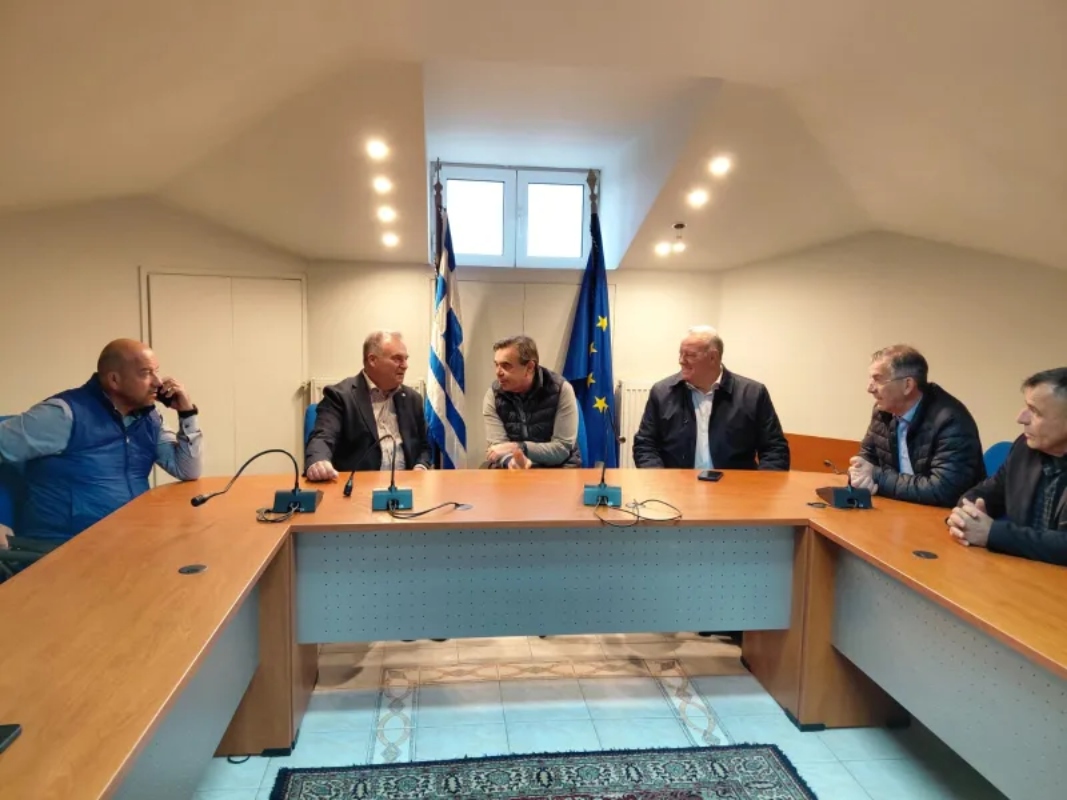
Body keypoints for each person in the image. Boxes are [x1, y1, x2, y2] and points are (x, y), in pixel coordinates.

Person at [0, 338, 203, 544]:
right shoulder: (63, 414)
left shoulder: (149, 418)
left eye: (156, 371)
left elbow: (187, 470)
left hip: (129, 540)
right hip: (65, 547)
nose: (158, 383)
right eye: (146, 373)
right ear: (114, 380)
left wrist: (187, 413)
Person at [948, 368, 1067, 565]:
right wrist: (966, 517)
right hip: (1019, 570)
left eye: (1035, 412)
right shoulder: (1024, 448)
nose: (1021, 418)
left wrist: (992, 533)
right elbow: (985, 493)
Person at [633, 325, 789, 471]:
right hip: (676, 485)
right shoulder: (662, 392)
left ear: (713, 357)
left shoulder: (753, 394)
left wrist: (760, 485)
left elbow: (775, 449)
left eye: (690, 355)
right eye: (680, 354)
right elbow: (645, 444)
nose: (681, 361)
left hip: (736, 487)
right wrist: (659, 479)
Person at [849, 345, 985, 507]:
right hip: (900, 508)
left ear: (907, 385)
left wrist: (876, 476)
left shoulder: (951, 420)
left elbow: (944, 490)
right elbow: (865, 460)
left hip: (947, 515)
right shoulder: (883, 411)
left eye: (877, 379)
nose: (869, 388)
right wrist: (858, 477)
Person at [305, 331, 431, 481]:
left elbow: (424, 446)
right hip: (359, 486)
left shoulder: (412, 399)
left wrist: (420, 466)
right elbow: (323, 437)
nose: (405, 366)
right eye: (397, 359)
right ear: (372, 360)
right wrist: (319, 461)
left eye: (406, 359)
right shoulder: (340, 396)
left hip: (407, 485)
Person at [483, 335, 581, 469]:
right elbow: (497, 447)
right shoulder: (494, 395)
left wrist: (517, 447)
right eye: (496, 365)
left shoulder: (561, 389)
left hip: (558, 468)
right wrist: (511, 461)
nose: (498, 372)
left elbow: (561, 449)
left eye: (506, 366)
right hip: (512, 471)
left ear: (529, 367)